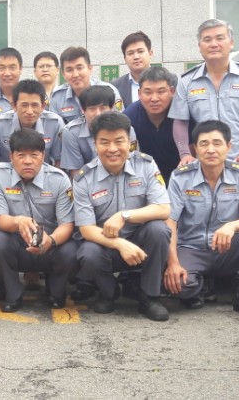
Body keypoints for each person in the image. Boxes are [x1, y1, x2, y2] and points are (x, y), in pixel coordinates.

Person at [163, 120, 239, 318]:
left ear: (229, 146)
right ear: (195, 149)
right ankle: (200, 284)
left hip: (227, 247)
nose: (211, 150)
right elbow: (170, 221)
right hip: (192, 247)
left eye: (217, 143)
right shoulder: (181, 177)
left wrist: (232, 226)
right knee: (179, 286)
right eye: (204, 144)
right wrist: (172, 263)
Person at [74, 112, 172, 321]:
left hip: (140, 242)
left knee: (159, 230)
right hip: (106, 244)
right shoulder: (84, 178)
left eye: (119, 141)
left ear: (130, 142)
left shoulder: (146, 166)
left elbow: (163, 208)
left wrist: (124, 215)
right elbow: (86, 229)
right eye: (104, 142)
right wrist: (119, 244)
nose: (112, 149)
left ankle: (150, 296)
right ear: (95, 144)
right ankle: (109, 293)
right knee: (88, 252)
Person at [171, 18, 239, 188]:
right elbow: (180, 122)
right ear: (199, 46)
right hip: (206, 169)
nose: (214, 44)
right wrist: (184, 154)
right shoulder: (186, 81)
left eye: (220, 38)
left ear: (231, 43)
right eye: (207, 39)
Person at [0, 129, 77, 311]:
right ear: (11, 156)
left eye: (34, 155)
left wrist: (50, 241)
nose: (28, 161)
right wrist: (17, 221)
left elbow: (67, 225)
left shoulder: (59, 179)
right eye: (21, 155)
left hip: (50, 245)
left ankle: (55, 290)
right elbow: (0, 221)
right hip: (18, 245)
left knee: (71, 248)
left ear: (43, 156)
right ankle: (12, 293)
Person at [124, 67, 181, 185]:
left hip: (181, 179)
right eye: (148, 92)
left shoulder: (183, 114)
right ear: (139, 93)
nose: (154, 98)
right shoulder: (129, 117)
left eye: (161, 91)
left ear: (172, 91)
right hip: (144, 181)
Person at [61, 86, 138, 172]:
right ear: (83, 110)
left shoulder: (125, 129)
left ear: (111, 108)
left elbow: (133, 163)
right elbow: (76, 172)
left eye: (103, 108)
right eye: (92, 109)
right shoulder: (71, 132)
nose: (98, 114)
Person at [0, 79, 65, 165]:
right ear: (14, 105)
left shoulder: (55, 123)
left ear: (43, 106)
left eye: (35, 105)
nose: (29, 111)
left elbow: (59, 160)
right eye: (24, 105)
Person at [48, 46, 122, 123]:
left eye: (79, 68)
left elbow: (120, 122)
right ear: (63, 74)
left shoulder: (110, 91)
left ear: (90, 69)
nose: (75, 75)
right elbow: (55, 127)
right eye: (69, 70)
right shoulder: (57, 97)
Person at [111, 31, 153, 109]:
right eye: (130, 53)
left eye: (140, 51)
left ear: (150, 53)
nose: (136, 57)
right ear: (125, 58)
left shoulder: (169, 80)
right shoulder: (115, 87)